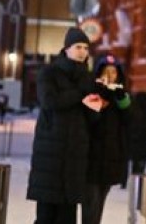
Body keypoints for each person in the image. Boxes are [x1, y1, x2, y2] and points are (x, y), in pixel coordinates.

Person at [27, 27, 104, 224]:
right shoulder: (50, 73)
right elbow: (49, 101)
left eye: (86, 48)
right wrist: (80, 94)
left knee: (67, 216)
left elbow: (92, 119)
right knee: (46, 215)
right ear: (66, 49)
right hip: (51, 153)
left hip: (75, 155)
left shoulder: (87, 79)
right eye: (78, 47)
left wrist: (97, 105)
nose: (82, 52)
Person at [82, 54, 131, 224]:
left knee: (99, 204)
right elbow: (90, 120)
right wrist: (100, 95)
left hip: (110, 161)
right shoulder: (92, 93)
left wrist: (121, 98)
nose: (110, 76)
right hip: (91, 162)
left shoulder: (121, 97)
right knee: (91, 205)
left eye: (114, 72)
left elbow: (129, 121)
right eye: (106, 72)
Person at [126, 91, 146, 178]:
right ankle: (137, 181)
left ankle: (135, 182)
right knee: (141, 166)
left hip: (135, 143)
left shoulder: (133, 110)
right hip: (144, 143)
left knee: (136, 166)